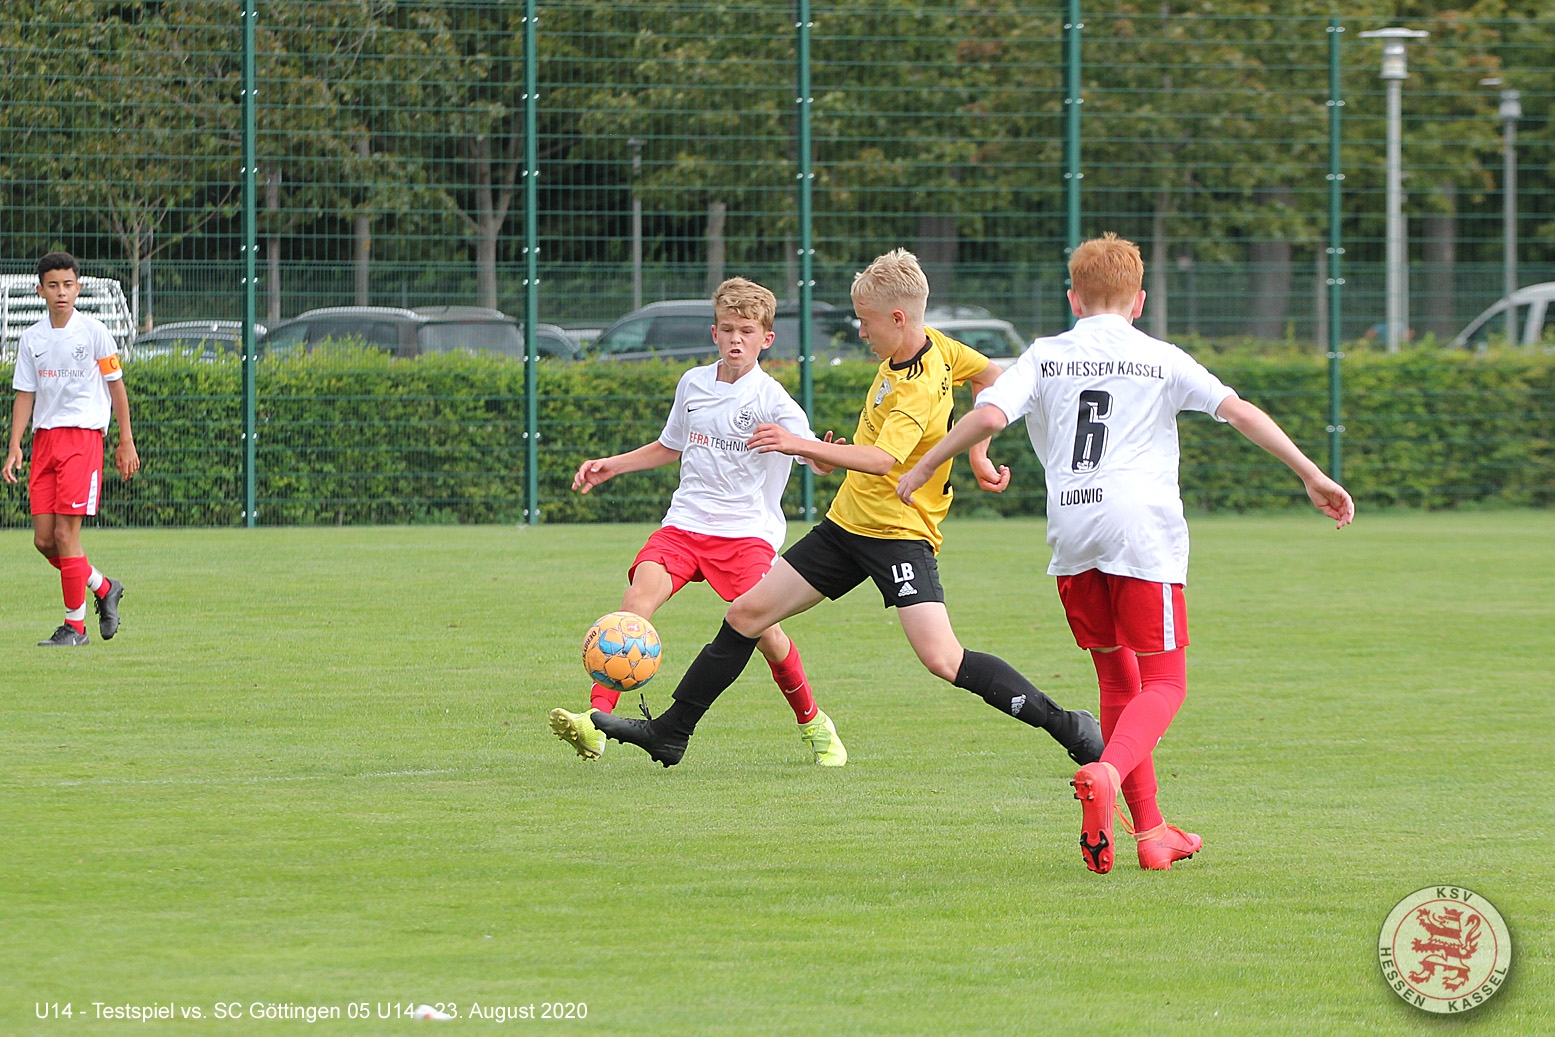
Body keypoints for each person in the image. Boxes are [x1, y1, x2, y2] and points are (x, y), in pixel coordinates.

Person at [897, 233, 1354, 873]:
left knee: (1117, 679)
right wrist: (1311, 473)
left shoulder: (1046, 355)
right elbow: (1239, 412)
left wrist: (926, 465)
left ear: (1073, 299)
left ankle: (1152, 833)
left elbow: (990, 416)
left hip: (1072, 528)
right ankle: (1107, 774)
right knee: (1166, 682)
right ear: (1139, 301)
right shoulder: (1159, 357)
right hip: (1140, 530)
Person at [591, 249, 1103, 768]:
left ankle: (1069, 725)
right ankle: (671, 732)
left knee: (943, 659)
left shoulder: (918, 388)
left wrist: (800, 444)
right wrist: (977, 451)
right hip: (844, 527)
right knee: (746, 614)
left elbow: (881, 460)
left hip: (898, 534)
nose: (860, 331)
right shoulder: (941, 347)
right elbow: (992, 377)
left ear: (897, 319)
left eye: (866, 321)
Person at [548, 277, 848, 766]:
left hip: (746, 536)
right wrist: (613, 465)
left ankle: (814, 723)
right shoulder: (693, 383)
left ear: (766, 339)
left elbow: (814, 457)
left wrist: (825, 456)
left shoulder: (773, 399)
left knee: (767, 635)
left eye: (747, 332)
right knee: (633, 607)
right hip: (685, 525)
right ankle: (596, 721)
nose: (736, 340)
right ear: (714, 333)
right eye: (728, 329)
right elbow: (671, 445)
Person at [3, 252, 139, 646]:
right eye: (53, 285)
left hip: (82, 440)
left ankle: (75, 628)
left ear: (78, 288)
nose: (61, 292)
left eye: (68, 285)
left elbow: (116, 386)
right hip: (45, 442)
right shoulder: (32, 338)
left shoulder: (95, 332)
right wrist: (15, 445)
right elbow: (25, 394)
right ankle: (103, 586)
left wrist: (125, 440)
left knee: (66, 534)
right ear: (40, 290)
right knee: (45, 541)